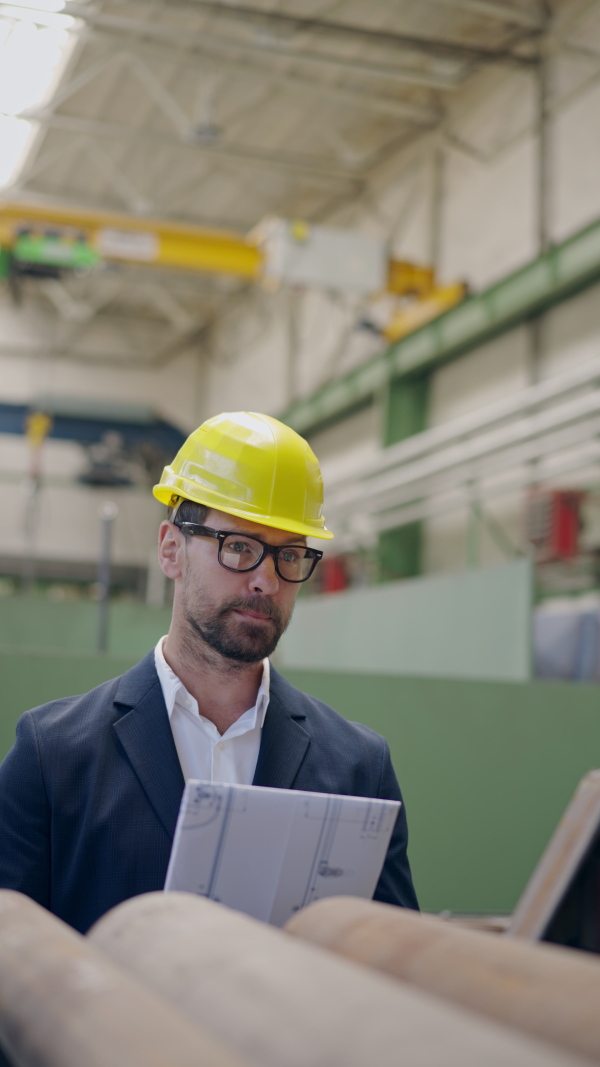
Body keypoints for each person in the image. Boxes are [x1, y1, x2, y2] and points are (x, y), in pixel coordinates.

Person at [0, 411, 418, 932]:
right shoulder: (53, 757)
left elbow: (393, 960)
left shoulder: (359, 769)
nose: (266, 580)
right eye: (239, 546)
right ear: (172, 550)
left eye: (289, 554)